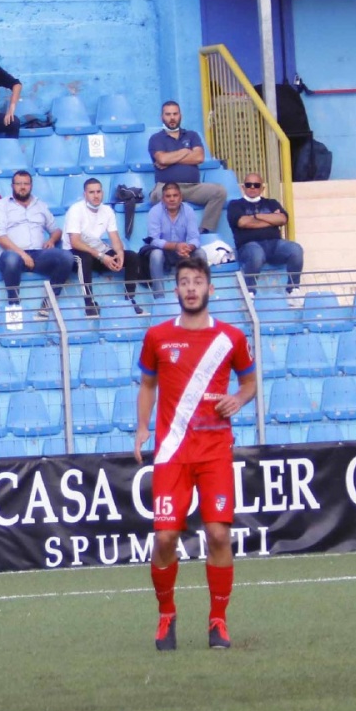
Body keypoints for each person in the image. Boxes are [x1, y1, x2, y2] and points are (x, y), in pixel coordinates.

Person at [134, 257, 256, 652]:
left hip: (215, 450)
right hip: (171, 452)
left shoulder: (231, 338)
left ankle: (218, 620)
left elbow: (250, 382)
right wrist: (141, 428)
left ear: (209, 288)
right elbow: (148, 386)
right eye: (184, 281)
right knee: (165, 538)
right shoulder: (156, 336)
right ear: (176, 290)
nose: (190, 288)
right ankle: (166, 614)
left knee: (219, 533)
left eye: (197, 281)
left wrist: (238, 398)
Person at [0, 171, 72, 313]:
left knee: (66, 257)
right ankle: (14, 305)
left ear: (31, 186)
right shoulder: (1, 205)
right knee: (12, 260)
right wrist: (22, 254)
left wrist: (52, 240)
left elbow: (56, 230)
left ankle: (49, 303)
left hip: (38, 254)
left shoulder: (40, 205)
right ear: (12, 186)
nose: (22, 187)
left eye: (26, 184)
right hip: (12, 254)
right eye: (19, 184)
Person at [63, 177, 144, 317]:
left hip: (97, 251)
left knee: (131, 256)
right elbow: (75, 242)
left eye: (98, 191)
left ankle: (129, 300)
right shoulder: (75, 210)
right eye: (91, 192)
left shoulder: (107, 210)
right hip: (74, 252)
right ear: (85, 195)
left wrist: (119, 254)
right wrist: (102, 256)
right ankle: (89, 304)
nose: (96, 195)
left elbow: (115, 237)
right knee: (85, 258)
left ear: (102, 192)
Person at [148, 101, 225, 233]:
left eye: (175, 114)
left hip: (193, 187)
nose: (172, 117)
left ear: (180, 116)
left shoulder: (192, 135)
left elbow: (199, 157)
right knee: (157, 196)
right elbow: (162, 158)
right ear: (162, 117)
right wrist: (185, 151)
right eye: (168, 114)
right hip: (166, 186)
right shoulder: (156, 138)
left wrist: (169, 160)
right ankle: (166, 233)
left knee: (219, 192)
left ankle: (205, 231)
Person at [227, 173, 304, 294]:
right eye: (248, 185)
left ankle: (293, 290)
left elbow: (283, 219)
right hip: (248, 246)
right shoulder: (235, 205)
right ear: (243, 187)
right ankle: (250, 292)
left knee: (296, 249)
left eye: (256, 185)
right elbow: (242, 222)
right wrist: (271, 219)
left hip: (275, 245)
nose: (252, 187)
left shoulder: (272, 202)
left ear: (262, 188)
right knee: (256, 254)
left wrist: (256, 216)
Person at [144, 182, 201, 290]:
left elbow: (195, 238)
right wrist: (176, 246)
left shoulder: (188, 210)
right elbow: (153, 240)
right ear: (163, 199)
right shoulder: (155, 212)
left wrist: (189, 248)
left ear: (181, 197)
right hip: (164, 252)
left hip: (184, 251)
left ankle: (202, 295)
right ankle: (160, 298)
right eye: (168, 196)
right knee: (156, 254)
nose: (172, 199)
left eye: (175, 195)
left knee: (200, 253)